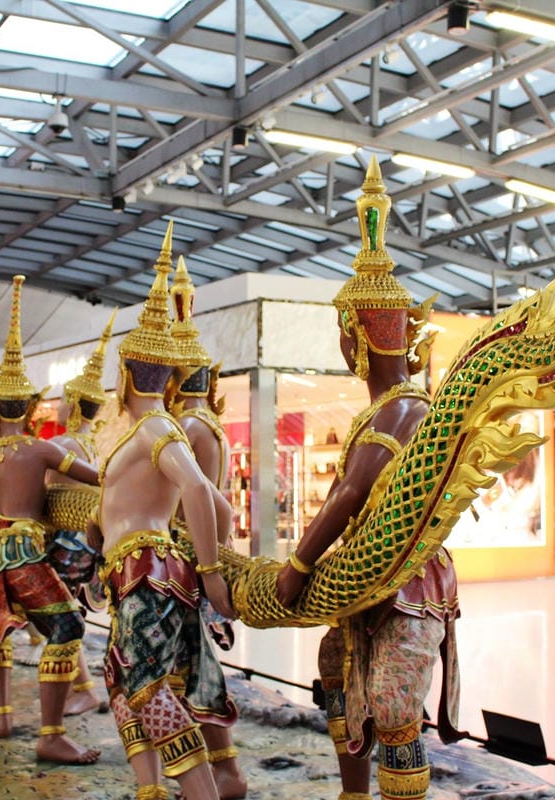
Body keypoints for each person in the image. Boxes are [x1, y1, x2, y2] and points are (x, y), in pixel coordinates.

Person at [275, 158, 463, 800]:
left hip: (408, 581)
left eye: (342, 333)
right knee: (336, 674)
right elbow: (344, 495)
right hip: (363, 580)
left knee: (391, 702)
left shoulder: (407, 409)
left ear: (356, 334)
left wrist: (297, 566)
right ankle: (354, 793)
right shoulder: (378, 414)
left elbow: (351, 493)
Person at [96, 230, 237, 800]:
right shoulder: (153, 429)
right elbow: (219, 503)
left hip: (147, 572)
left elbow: (202, 493)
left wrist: (213, 574)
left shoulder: (156, 428)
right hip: (145, 572)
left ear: (127, 375)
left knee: (150, 694)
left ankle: (202, 793)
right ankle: (151, 790)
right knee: (129, 682)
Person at [0, 276, 101, 763]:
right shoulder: (40, 448)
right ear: (29, 407)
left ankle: (2, 714)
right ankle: (50, 733)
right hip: (24, 550)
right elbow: (95, 478)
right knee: (67, 630)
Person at [167, 253, 245, 800]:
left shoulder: (184, 427)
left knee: (189, 667)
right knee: (197, 663)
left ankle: (220, 772)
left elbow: (200, 496)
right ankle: (222, 768)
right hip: (198, 550)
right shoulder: (207, 423)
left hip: (185, 555)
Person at [42, 309, 117, 717]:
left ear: (72, 404)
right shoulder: (95, 449)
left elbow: (46, 494)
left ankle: (83, 688)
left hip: (64, 546)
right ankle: (83, 685)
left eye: (60, 401)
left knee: (59, 617)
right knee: (65, 616)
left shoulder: (65, 447)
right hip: (85, 545)